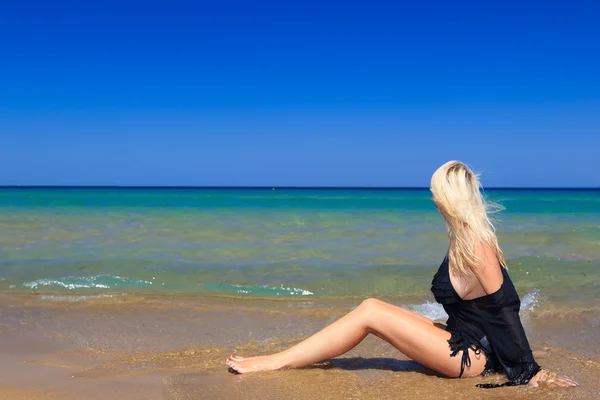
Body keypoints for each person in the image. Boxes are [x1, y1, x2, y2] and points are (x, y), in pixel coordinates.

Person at [225, 161, 578, 388]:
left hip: (473, 357)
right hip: (464, 340)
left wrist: (529, 371)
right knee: (375, 307)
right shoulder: (463, 239)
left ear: (445, 198)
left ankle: (274, 362)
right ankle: (291, 356)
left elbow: (504, 309)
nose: (431, 196)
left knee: (370, 312)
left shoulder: (476, 245)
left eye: (434, 190)